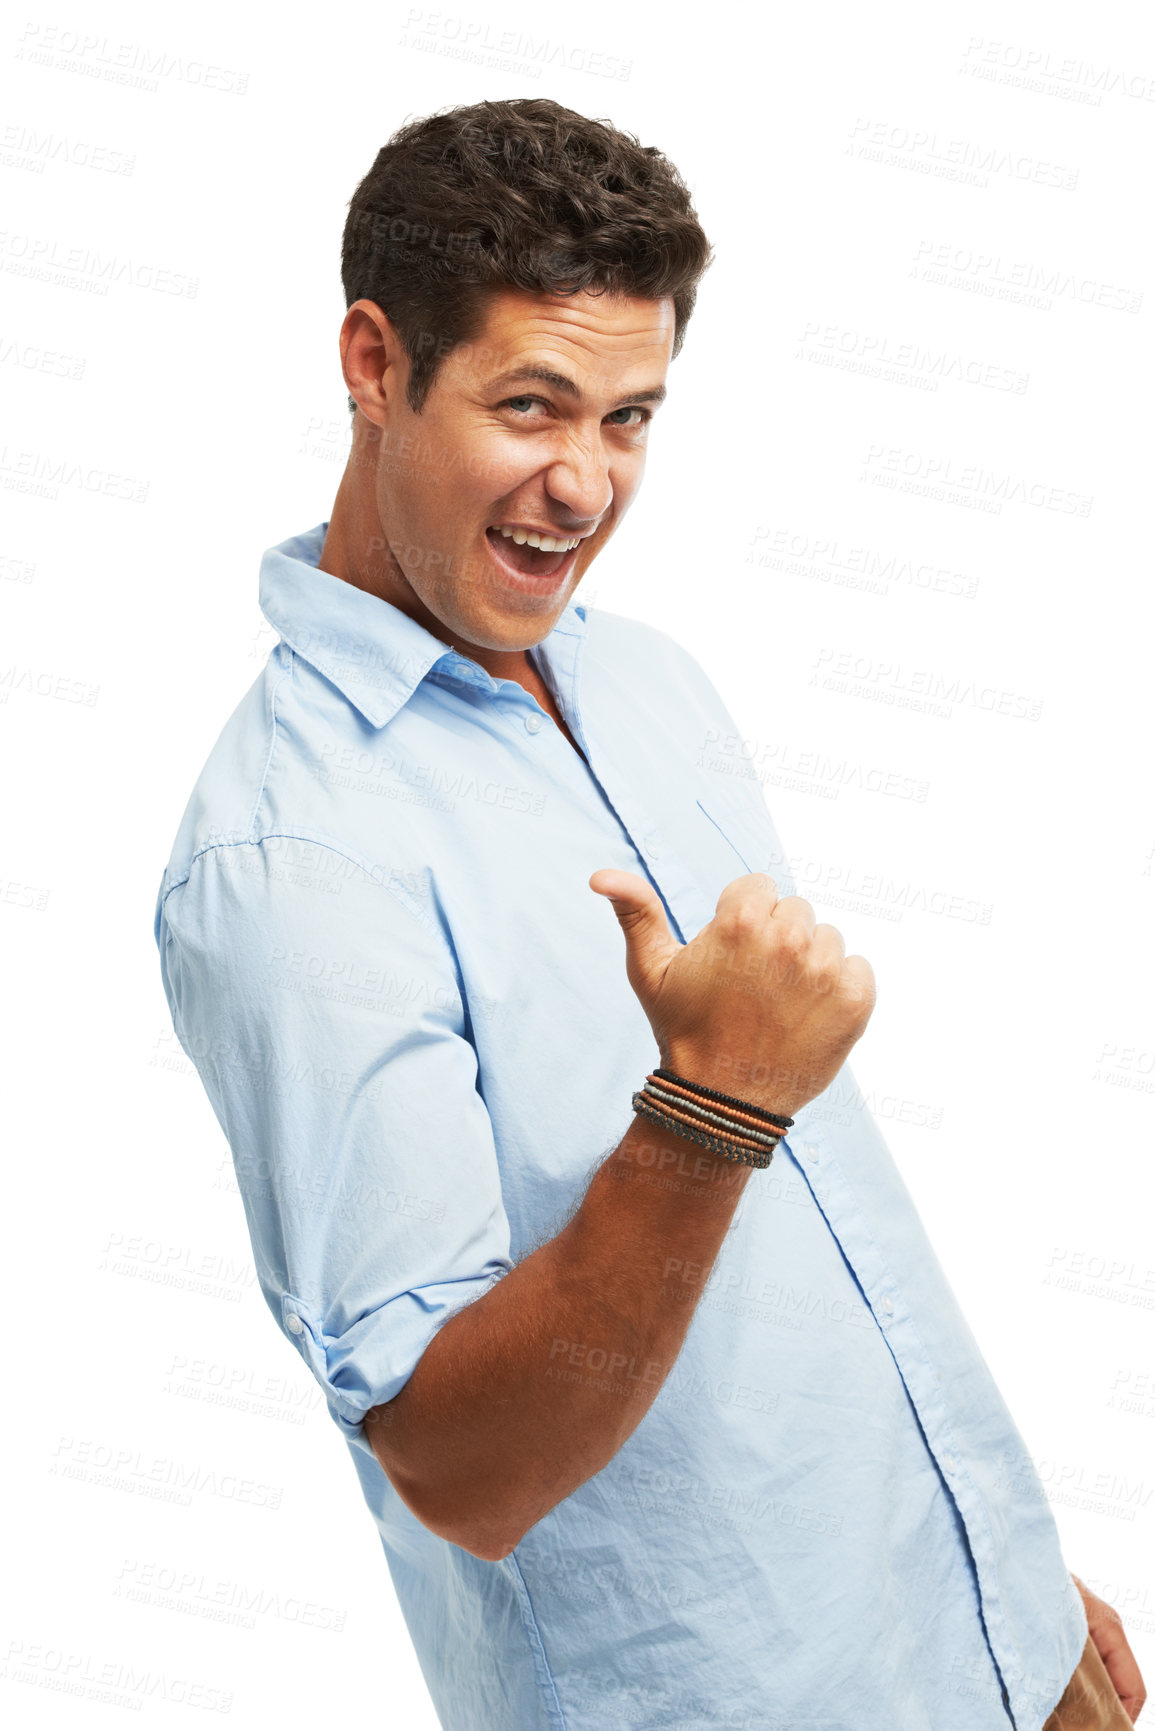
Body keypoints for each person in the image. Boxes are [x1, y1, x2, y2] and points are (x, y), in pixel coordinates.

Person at [153, 98, 1145, 1730]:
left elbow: (816, 1258)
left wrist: (1005, 1575)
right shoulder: (291, 863)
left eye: (631, 418)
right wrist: (711, 1108)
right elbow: (458, 1469)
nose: (583, 482)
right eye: (529, 404)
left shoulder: (639, 677)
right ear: (374, 364)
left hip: (980, 1651)